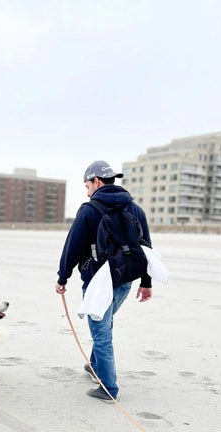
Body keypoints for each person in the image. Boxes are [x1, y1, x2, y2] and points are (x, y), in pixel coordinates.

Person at [55, 160, 153, 401]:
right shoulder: (135, 209)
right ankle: (94, 366)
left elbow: (73, 246)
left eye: (87, 184)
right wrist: (146, 281)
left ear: (96, 181)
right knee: (105, 324)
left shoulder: (89, 210)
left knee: (101, 334)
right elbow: (146, 247)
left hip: (98, 283)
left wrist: (62, 277)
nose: (86, 189)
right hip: (125, 280)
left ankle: (108, 388)